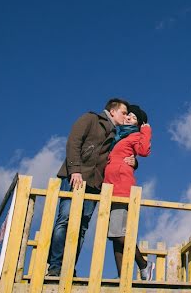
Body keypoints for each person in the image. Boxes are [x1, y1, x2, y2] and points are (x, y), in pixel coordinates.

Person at [46, 98, 134, 277]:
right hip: (75, 177)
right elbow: (73, 142)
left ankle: (69, 268)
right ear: (112, 111)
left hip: (95, 184)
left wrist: (135, 161)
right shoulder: (90, 119)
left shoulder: (117, 135)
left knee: (82, 226)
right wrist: (75, 170)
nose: (125, 117)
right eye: (123, 113)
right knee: (65, 218)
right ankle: (55, 266)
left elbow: (121, 154)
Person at [104, 104, 152, 280]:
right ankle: (121, 276)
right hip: (109, 187)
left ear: (139, 123)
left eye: (132, 117)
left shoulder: (136, 135)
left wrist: (146, 131)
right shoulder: (118, 136)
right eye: (127, 115)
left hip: (122, 187)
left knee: (117, 233)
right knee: (115, 236)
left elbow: (144, 151)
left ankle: (144, 264)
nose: (128, 117)